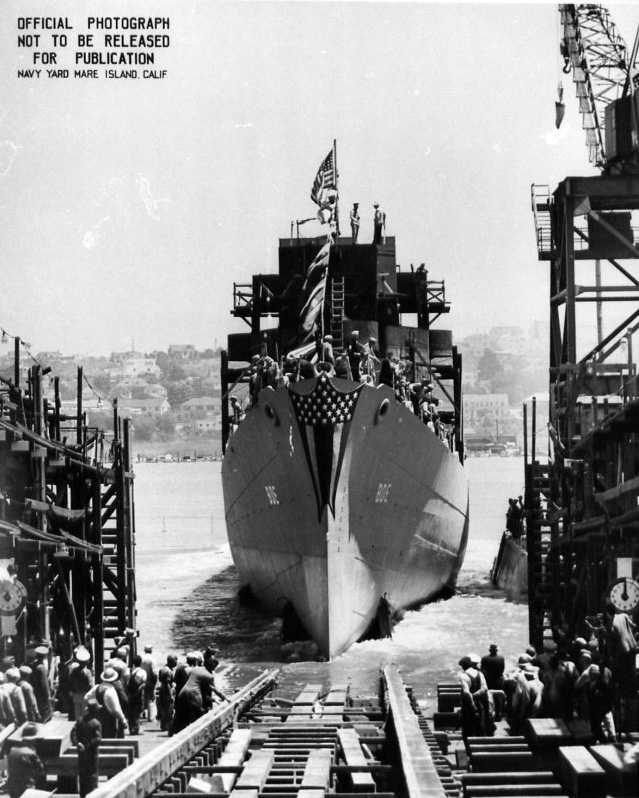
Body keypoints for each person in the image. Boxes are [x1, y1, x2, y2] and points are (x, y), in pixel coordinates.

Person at [170, 652, 227, 735]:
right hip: (194, 696)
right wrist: (225, 698)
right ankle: (194, 734)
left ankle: (173, 732)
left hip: (183, 693)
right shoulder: (209, 676)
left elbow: (187, 675)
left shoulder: (195, 669)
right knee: (197, 716)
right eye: (214, 667)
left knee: (182, 714)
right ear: (211, 666)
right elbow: (215, 689)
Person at [71, 698, 102, 798]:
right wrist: (88, 746)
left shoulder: (80, 721)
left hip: (82, 754)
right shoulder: (96, 723)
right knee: (92, 776)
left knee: (83, 776)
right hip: (92, 754)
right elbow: (98, 739)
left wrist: (78, 743)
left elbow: (73, 733)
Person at [6, 723, 45, 798]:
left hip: (12, 786)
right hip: (25, 786)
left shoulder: (13, 749)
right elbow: (40, 769)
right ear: (34, 739)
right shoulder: (31, 753)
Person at [93, 667, 128, 739]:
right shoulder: (111, 691)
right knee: (110, 739)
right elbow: (116, 709)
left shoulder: (96, 687)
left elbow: (86, 697)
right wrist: (123, 720)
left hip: (98, 718)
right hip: (110, 720)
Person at [68, 646, 94, 722]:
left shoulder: (74, 671)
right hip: (85, 695)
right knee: (85, 715)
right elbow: (90, 685)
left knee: (77, 715)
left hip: (76, 695)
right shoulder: (87, 672)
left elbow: (70, 682)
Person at [30, 645, 51, 723]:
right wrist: (47, 694)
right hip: (42, 694)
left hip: (35, 692)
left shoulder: (34, 665)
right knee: (45, 714)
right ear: (44, 656)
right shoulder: (41, 667)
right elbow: (44, 683)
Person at [127, 654, 147, 735]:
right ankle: (135, 728)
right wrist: (137, 693)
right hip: (138, 695)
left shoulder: (129, 671)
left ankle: (131, 727)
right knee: (137, 712)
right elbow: (143, 685)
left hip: (129, 694)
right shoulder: (142, 672)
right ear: (140, 663)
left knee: (130, 711)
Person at [157, 654, 178, 733]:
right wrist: (170, 695)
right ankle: (166, 726)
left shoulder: (163, 669)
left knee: (164, 708)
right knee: (167, 709)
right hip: (166, 691)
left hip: (162, 689)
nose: (176, 663)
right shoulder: (168, 671)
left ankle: (164, 725)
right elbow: (167, 684)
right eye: (175, 661)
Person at [140, 645, 158, 722]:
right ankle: (151, 717)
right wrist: (154, 683)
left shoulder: (141, 658)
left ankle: (141, 715)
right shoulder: (152, 659)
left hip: (141, 680)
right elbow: (155, 673)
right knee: (151, 699)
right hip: (150, 681)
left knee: (142, 697)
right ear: (151, 651)